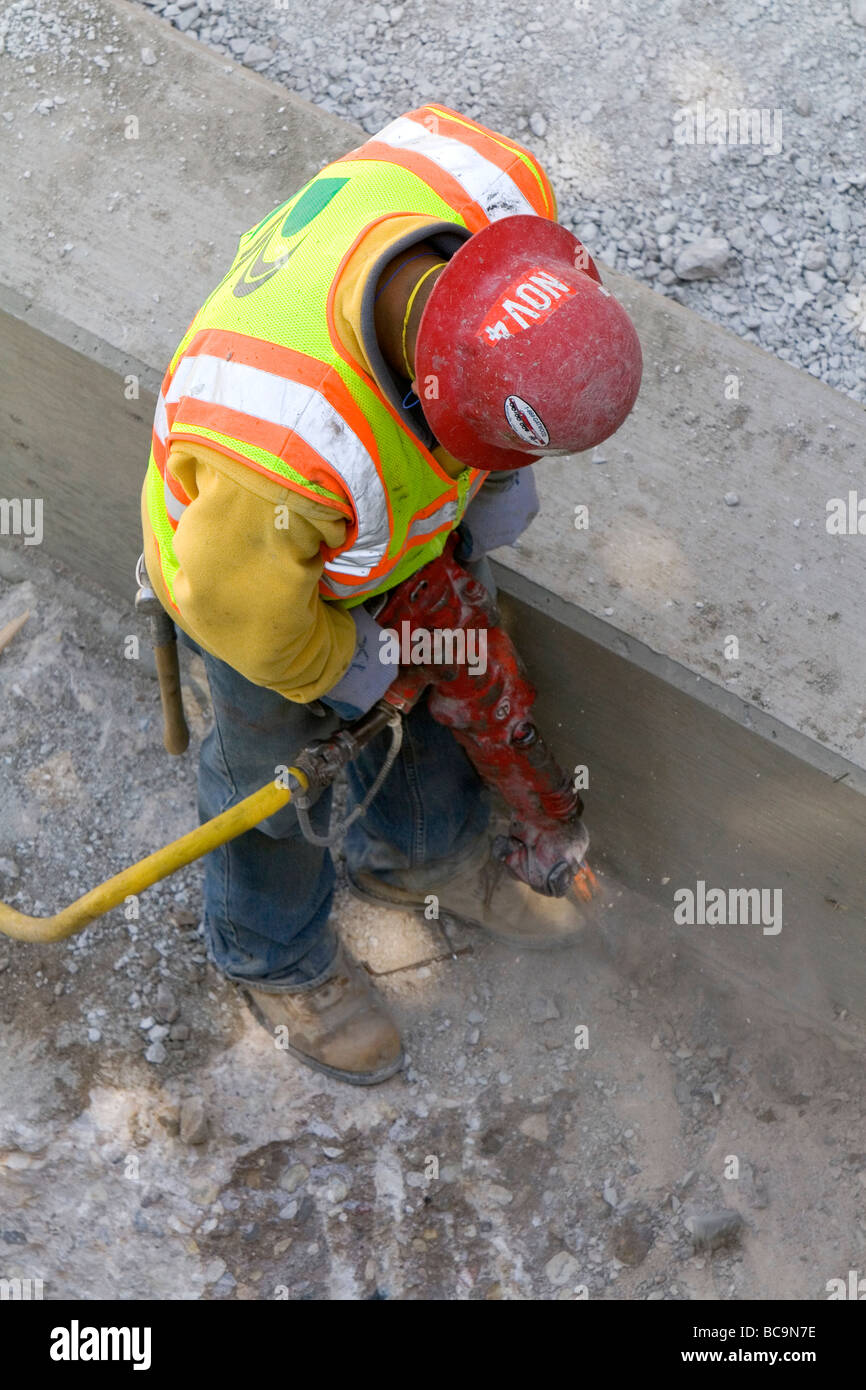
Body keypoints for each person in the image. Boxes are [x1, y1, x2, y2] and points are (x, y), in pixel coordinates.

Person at [140, 103, 642, 1085]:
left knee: (445, 685)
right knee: (269, 772)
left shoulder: (494, 190)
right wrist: (353, 665)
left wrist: (489, 480)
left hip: (377, 519)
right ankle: (273, 953)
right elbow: (240, 615)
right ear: (436, 389)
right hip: (252, 581)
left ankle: (421, 857)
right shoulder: (284, 447)